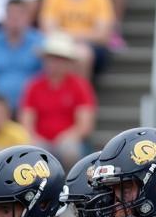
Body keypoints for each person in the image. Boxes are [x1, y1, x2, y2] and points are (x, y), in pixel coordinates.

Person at [19, 32, 97, 167]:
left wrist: (67, 137)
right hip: (40, 140)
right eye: (51, 58)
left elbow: (84, 125)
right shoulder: (34, 85)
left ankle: (71, 185)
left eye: (59, 59)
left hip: (69, 140)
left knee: (69, 150)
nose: (54, 63)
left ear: (68, 62)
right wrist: (35, 138)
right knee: (33, 151)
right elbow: (26, 122)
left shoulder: (80, 86)